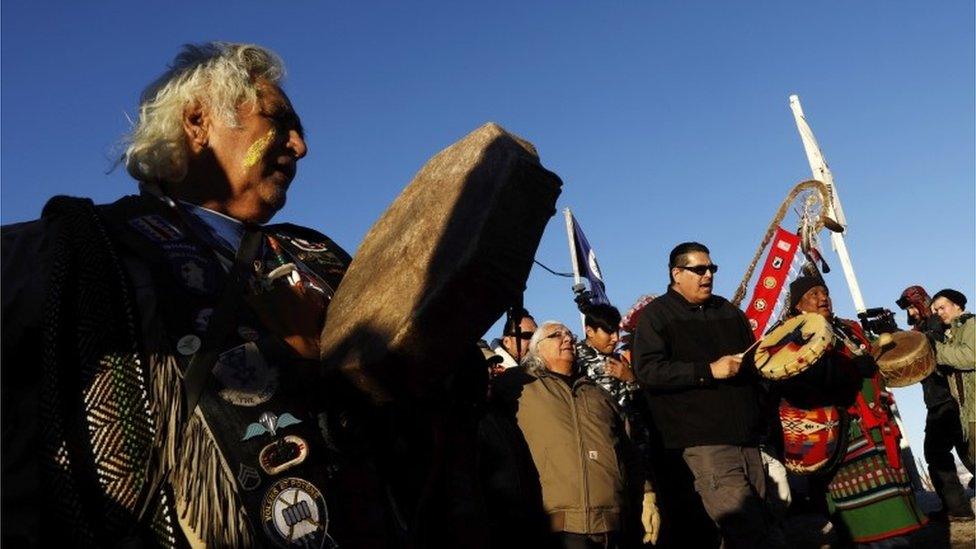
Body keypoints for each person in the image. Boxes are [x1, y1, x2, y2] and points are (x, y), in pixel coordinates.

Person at [2, 43, 403, 547]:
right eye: (279, 120)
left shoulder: (316, 253)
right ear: (197, 122)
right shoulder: (76, 248)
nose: (300, 145)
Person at [632, 242, 770, 548]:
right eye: (699, 269)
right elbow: (648, 371)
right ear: (677, 273)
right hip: (704, 445)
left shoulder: (729, 311)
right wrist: (708, 370)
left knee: (760, 523)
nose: (708, 274)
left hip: (748, 441)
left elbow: (756, 369)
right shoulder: (656, 317)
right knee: (745, 531)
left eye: (712, 268)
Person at [782, 276, 926, 546]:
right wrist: (848, 370)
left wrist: (892, 336)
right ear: (798, 306)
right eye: (813, 294)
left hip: (877, 425)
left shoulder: (847, 327)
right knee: (870, 520)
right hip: (844, 434)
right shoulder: (795, 337)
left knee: (895, 503)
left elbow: (876, 354)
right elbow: (801, 384)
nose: (822, 297)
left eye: (824, 292)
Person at [487, 321, 658, 548]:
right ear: (536, 348)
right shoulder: (517, 386)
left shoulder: (599, 394)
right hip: (557, 528)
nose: (567, 338)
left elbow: (628, 450)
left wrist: (648, 495)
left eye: (569, 335)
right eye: (556, 335)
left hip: (613, 526)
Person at [896, 285, 974, 521]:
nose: (910, 312)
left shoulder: (942, 326)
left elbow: (958, 355)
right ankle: (957, 509)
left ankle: (958, 509)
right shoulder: (925, 328)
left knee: (960, 454)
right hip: (938, 402)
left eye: (912, 306)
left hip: (950, 401)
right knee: (947, 454)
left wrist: (927, 339)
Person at [930, 288, 976, 469]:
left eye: (942, 308)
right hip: (967, 412)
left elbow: (971, 356)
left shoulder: (971, 324)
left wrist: (937, 349)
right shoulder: (951, 335)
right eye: (935, 311)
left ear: (957, 305)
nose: (939, 314)